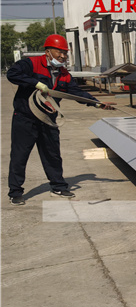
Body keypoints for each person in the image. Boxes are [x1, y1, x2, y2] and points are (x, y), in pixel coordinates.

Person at [6, 34, 115, 205]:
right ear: (48, 51)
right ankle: (15, 192)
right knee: (20, 155)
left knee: (52, 155)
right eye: (59, 52)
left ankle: (58, 187)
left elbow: (76, 93)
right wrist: (36, 83)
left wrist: (97, 103)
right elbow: (12, 74)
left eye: (65, 53)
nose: (63, 56)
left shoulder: (64, 74)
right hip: (25, 118)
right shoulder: (31, 64)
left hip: (48, 119)